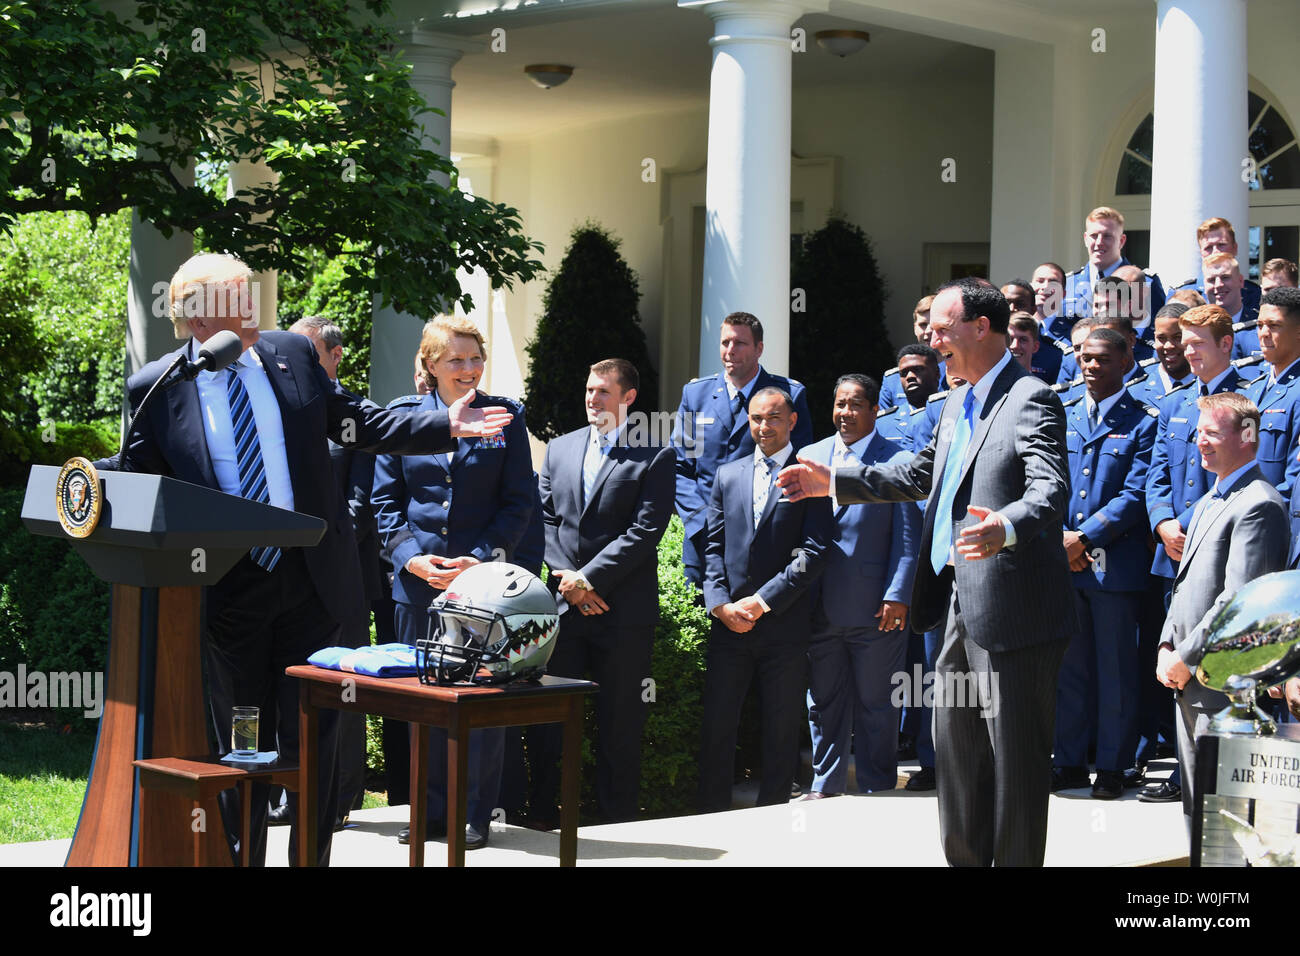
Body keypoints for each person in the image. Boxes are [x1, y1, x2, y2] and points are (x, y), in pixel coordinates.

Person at [97, 253, 511, 866]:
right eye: (241, 304)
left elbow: (353, 421)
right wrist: (86, 487)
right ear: (197, 318)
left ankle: (311, 860)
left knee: (317, 737)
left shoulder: (289, 354)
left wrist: (440, 425)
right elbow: (143, 479)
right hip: (229, 592)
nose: (256, 316)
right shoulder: (157, 387)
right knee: (243, 740)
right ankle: (242, 858)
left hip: (314, 581)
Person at [778, 276, 1076, 867]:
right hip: (955, 603)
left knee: (1014, 763)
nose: (931, 338)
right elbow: (918, 475)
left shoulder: (1031, 397)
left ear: (981, 327)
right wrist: (831, 481)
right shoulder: (956, 402)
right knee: (957, 754)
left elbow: (1051, 488)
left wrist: (1005, 527)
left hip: (1015, 613)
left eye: (942, 327)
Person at [372, 314, 535, 851]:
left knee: (479, 697)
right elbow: (382, 504)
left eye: (474, 358)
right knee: (423, 701)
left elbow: (518, 505)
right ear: (431, 366)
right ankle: (430, 811)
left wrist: (481, 558)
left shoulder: (505, 417)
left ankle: (475, 814)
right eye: (455, 360)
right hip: (417, 586)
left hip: (481, 588)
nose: (468, 370)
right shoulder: (401, 420)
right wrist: (411, 560)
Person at [533, 358, 675, 823]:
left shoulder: (655, 453)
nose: (593, 399)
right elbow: (547, 520)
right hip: (565, 610)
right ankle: (544, 816)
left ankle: (617, 821)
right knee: (553, 722)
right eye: (590, 390)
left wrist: (588, 579)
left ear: (628, 398)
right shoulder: (559, 448)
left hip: (623, 613)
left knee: (620, 726)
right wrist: (568, 581)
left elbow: (645, 530)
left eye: (604, 392)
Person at [697, 387, 831, 813]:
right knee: (718, 724)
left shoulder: (810, 475)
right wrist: (720, 605)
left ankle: (774, 810)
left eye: (773, 418)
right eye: (756, 418)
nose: (763, 427)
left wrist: (761, 601)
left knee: (780, 727)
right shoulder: (727, 474)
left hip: (784, 625)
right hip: (729, 623)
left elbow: (814, 553)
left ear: (792, 421)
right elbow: (712, 546)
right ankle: (711, 811)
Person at [1156, 392, 1287, 818]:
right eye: (1198, 432)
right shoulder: (1213, 499)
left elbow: (1238, 601)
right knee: (1199, 815)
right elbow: (1186, 586)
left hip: (1224, 687)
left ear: (1247, 436)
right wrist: (1166, 646)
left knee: (1228, 823)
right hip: (1192, 680)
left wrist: (1186, 657)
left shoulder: (1258, 503)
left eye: (1212, 432)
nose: (1201, 442)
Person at [1139, 304, 1244, 802]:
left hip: (1220, 551)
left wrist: (1193, 525)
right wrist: (1163, 523)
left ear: (1225, 344)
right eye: (1184, 342)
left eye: (1197, 342)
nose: (1186, 351)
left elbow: (1243, 477)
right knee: (1178, 661)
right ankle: (1185, 773)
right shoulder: (1179, 402)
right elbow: (1157, 473)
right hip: (1174, 551)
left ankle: (1212, 779)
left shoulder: (1248, 398)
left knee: (1212, 664)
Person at [800, 375, 919, 797]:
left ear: (874, 411)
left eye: (855, 405)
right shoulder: (808, 455)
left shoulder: (898, 460)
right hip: (817, 606)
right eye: (839, 404)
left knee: (877, 704)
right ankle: (824, 785)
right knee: (822, 703)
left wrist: (897, 594)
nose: (845, 413)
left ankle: (876, 784)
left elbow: (908, 537)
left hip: (876, 609)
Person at [1051, 328, 1158, 799]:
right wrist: (1061, 538)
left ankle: (1114, 766)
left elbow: (1137, 495)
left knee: (1116, 671)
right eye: (1084, 359)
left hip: (1115, 568)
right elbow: (1048, 481)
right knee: (1070, 670)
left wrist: (1083, 537)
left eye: (1101, 360)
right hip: (1064, 562)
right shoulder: (1066, 414)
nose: (1090, 367)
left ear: (1125, 361)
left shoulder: (1144, 421)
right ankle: (1069, 761)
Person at [286, 315, 382, 828]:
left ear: (334, 356)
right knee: (294, 687)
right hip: (286, 576)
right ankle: (292, 786)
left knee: (343, 685)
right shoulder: (286, 410)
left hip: (342, 575)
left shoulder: (354, 415)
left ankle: (343, 795)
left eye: (306, 353)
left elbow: (361, 506)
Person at [673, 312, 812, 588]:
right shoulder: (695, 395)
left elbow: (797, 467)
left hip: (763, 541)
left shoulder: (788, 395)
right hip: (702, 540)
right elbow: (679, 467)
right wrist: (702, 522)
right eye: (725, 342)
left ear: (759, 348)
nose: (730, 351)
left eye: (740, 343)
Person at [1061, 206, 1166, 320]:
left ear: (1122, 241)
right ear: (1086, 239)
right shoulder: (1068, 283)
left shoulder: (1146, 283)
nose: (1099, 242)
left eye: (1107, 236)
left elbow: (1157, 330)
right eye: (1094, 236)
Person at [1244, 287, 1300, 499]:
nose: (1263, 333)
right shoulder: (1254, 389)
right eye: (1259, 325)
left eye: (1274, 325)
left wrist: (1258, 514)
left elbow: (1296, 481)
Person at [1169, 217, 1262, 318]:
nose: (1215, 252)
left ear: (1235, 248)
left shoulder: (1256, 294)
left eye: (1221, 245)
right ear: (1201, 253)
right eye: (1208, 248)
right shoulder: (1179, 293)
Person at [879, 296, 945, 410]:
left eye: (934, 324)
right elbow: (886, 424)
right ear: (915, 328)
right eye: (923, 324)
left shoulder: (960, 374)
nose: (929, 330)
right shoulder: (893, 380)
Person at [875, 344, 942, 450]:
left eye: (918, 369)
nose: (910, 376)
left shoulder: (953, 413)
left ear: (937, 373)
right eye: (904, 373)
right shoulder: (882, 424)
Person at [1201, 253, 1260, 359]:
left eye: (1225, 277)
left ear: (1241, 281)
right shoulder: (1196, 329)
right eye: (1211, 280)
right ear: (1204, 286)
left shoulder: (1261, 325)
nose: (1218, 285)